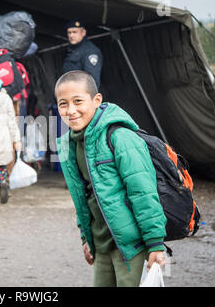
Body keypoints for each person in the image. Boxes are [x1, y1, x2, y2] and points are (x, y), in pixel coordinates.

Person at [55, 70, 167, 287]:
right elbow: (82, 196)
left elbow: (143, 191)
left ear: (96, 100)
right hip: (101, 242)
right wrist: (86, 237)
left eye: (78, 101)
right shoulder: (69, 144)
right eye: (63, 104)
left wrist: (155, 243)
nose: (71, 110)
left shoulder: (119, 137)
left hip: (131, 243)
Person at [62, 20, 103, 89]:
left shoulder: (90, 51)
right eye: (69, 33)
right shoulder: (72, 50)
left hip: (82, 95)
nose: (71, 35)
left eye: (74, 32)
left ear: (83, 33)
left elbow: (92, 81)